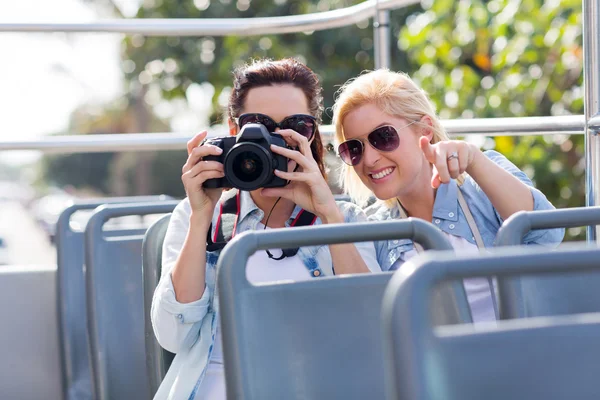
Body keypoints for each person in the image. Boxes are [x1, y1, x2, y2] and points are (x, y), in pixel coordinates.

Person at [151, 58, 380, 400]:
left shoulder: (342, 218)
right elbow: (172, 335)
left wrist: (328, 214)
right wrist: (201, 217)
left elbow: (373, 327)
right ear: (233, 130)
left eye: (294, 125)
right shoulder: (199, 215)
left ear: (310, 133)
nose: (272, 140)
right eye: (257, 124)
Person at [332, 69, 564, 322]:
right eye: (353, 148)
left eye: (383, 137)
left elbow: (547, 232)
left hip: (520, 354)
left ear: (424, 129)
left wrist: (474, 158)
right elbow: (368, 321)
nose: (369, 159)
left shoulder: (482, 178)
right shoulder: (373, 229)